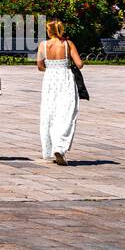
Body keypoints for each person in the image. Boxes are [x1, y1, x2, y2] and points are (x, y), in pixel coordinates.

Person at [37, 18, 83, 165]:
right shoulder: (68, 44)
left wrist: (50, 68)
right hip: (65, 79)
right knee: (67, 112)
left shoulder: (43, 45)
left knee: (49, 113)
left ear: (49, 31)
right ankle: (60, 147)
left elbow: (39, 66)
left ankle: (51, 147)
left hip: (50, 79)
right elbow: (79, 64)